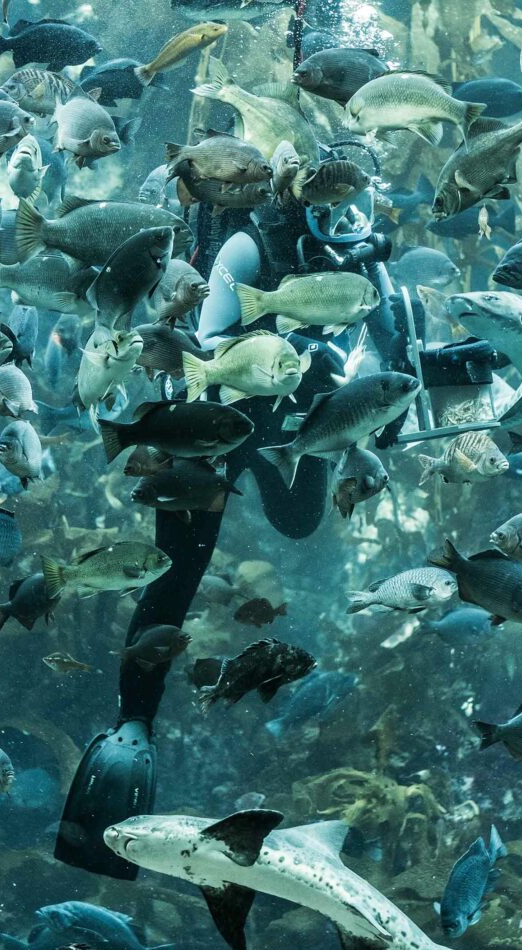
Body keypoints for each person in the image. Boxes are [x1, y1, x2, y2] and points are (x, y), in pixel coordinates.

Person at [55, 145, 418, 877]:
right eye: (326, 207)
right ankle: (132, 727)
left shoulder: (363, 266)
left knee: (296, 520)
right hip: (213, 418)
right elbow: (208, 347)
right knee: (178, 574)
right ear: (300, 199)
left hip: (286, 422)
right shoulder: (253, 246)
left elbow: (390, 354)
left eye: (351, 210)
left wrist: (363, 419)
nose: (340, 222)